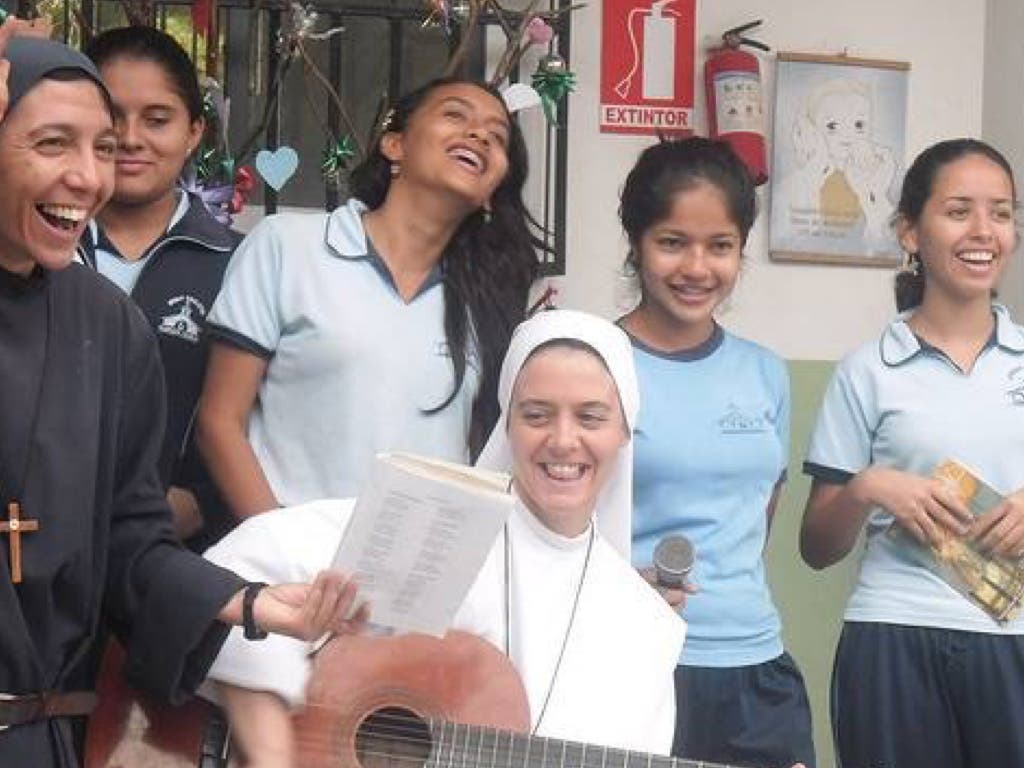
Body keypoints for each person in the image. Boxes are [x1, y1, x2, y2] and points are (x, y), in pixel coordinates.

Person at [0, 29, 366, 767]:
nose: (87, 176)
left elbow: (129, 539)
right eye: (51, 144)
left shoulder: (108, 326)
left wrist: (249, 602)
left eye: (100, 149)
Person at [201, 309, 687, 767]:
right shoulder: (431, 530)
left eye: (590, 417)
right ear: (508, 424)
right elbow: (226, 575)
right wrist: (269, 751)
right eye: (536, 415)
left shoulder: (642, 627)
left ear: (625, 429)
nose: (562, 440)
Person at [197, 77, 541, 519]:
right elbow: (219, 422)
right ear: (394, 144)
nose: (479, 135)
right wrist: (282, 552)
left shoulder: (485, 299)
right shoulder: (288, 246)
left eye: (497, 137)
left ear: (493, 188)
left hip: (419, 571)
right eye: (455, 115)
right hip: (292, 563)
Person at [801, 138, 1024, 768]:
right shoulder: (866, 370)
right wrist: (868, 487)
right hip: (892, 634)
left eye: (1001, 213)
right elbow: (817, 548)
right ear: (909, 232)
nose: (983, 231)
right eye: (958, 211)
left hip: (1014, 637)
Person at [617, 138, 815, 768]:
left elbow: (757, 518)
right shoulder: (593, 363)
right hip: (631, 664)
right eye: (672, 242)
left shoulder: (765, 372)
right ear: (637, 242)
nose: (697, 267)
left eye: (720, 246)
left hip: (755, 668)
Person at [77, 26, 241, 551]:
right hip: (33, 550)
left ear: (194, 131)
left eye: (157, 119)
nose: (129, 137)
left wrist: (205, 499)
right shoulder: (35, 251)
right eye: (110, 116)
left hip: (177, 554)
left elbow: (265, 412)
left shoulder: (238, 263)